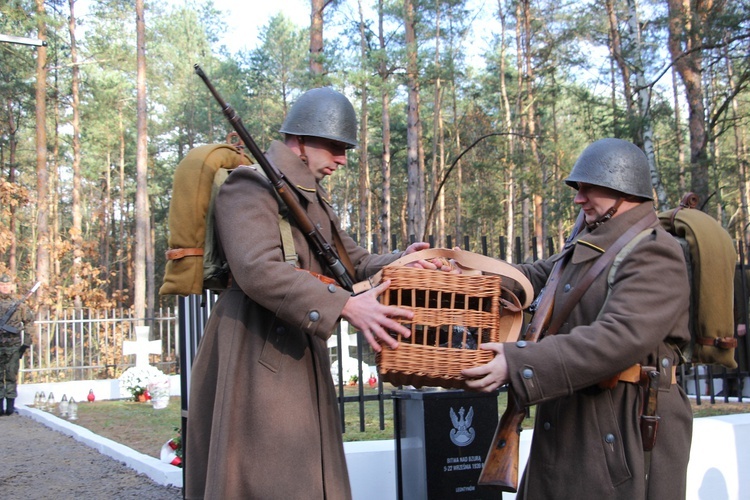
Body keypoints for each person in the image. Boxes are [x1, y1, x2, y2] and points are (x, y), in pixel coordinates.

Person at [185, 87, 444, 499]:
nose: (342, 159)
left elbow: (351, 259)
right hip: (253, 352)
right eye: (335, 147)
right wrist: (343, 305)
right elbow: (257, 269)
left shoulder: (309, 197)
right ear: (301, 140)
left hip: (299, 342)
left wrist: (399, 261)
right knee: (266, 477)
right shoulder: (249, 185)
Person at [462, 138, 693, 499]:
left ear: (623, 190)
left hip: (624, 425)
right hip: (574, 419)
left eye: (589, 188)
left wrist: (519, 361)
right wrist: (463, 274)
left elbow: (619, 337)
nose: (578, 198)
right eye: (578, 188)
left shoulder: (654, 250)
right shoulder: (592, 242)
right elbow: (533, 276)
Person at [0, 274, 33, 416]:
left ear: (12, 286)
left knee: (11, 375)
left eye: (7, 285)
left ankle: (10, 407)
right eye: (2, 285)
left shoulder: (19, 305)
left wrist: (26, 343)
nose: (4, 287)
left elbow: (29, 323)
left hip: (14, 345)